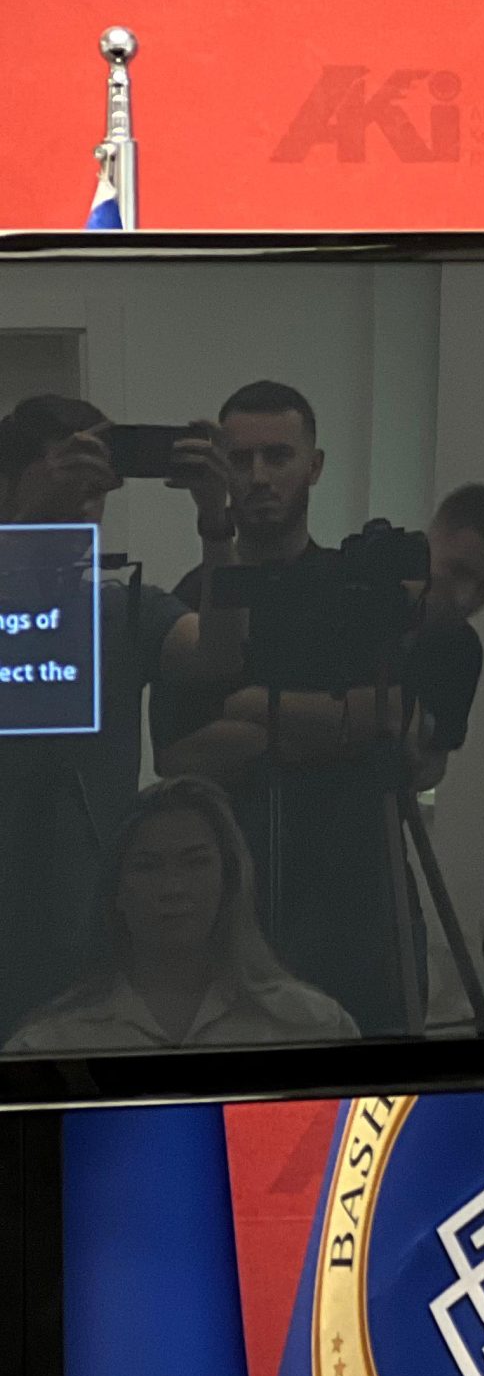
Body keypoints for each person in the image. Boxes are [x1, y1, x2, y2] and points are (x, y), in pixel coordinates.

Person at [152, 384, 484, 1034]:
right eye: (240, 459)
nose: (258, 477)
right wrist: (341, 723)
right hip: (232, 914)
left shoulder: (362, 593)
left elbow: (411, 734)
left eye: (278, 456)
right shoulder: (195, 602)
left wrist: (255, 713)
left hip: (365, 906)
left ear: (315, 465)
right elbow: (179, 758)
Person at [0, 394, 242, 1040]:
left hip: (96, 910)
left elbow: (219, 655)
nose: (85, 504)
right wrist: (31, 523)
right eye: (67, 478)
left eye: (94, 488)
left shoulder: (121, 607)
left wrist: (217, 524)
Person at [8, 775, 356, 1053]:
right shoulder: (49, 1047)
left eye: (196, 863)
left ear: (228, 880)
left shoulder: (312, 1028)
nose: (173, 888)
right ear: (116, 892)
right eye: (148, 866)